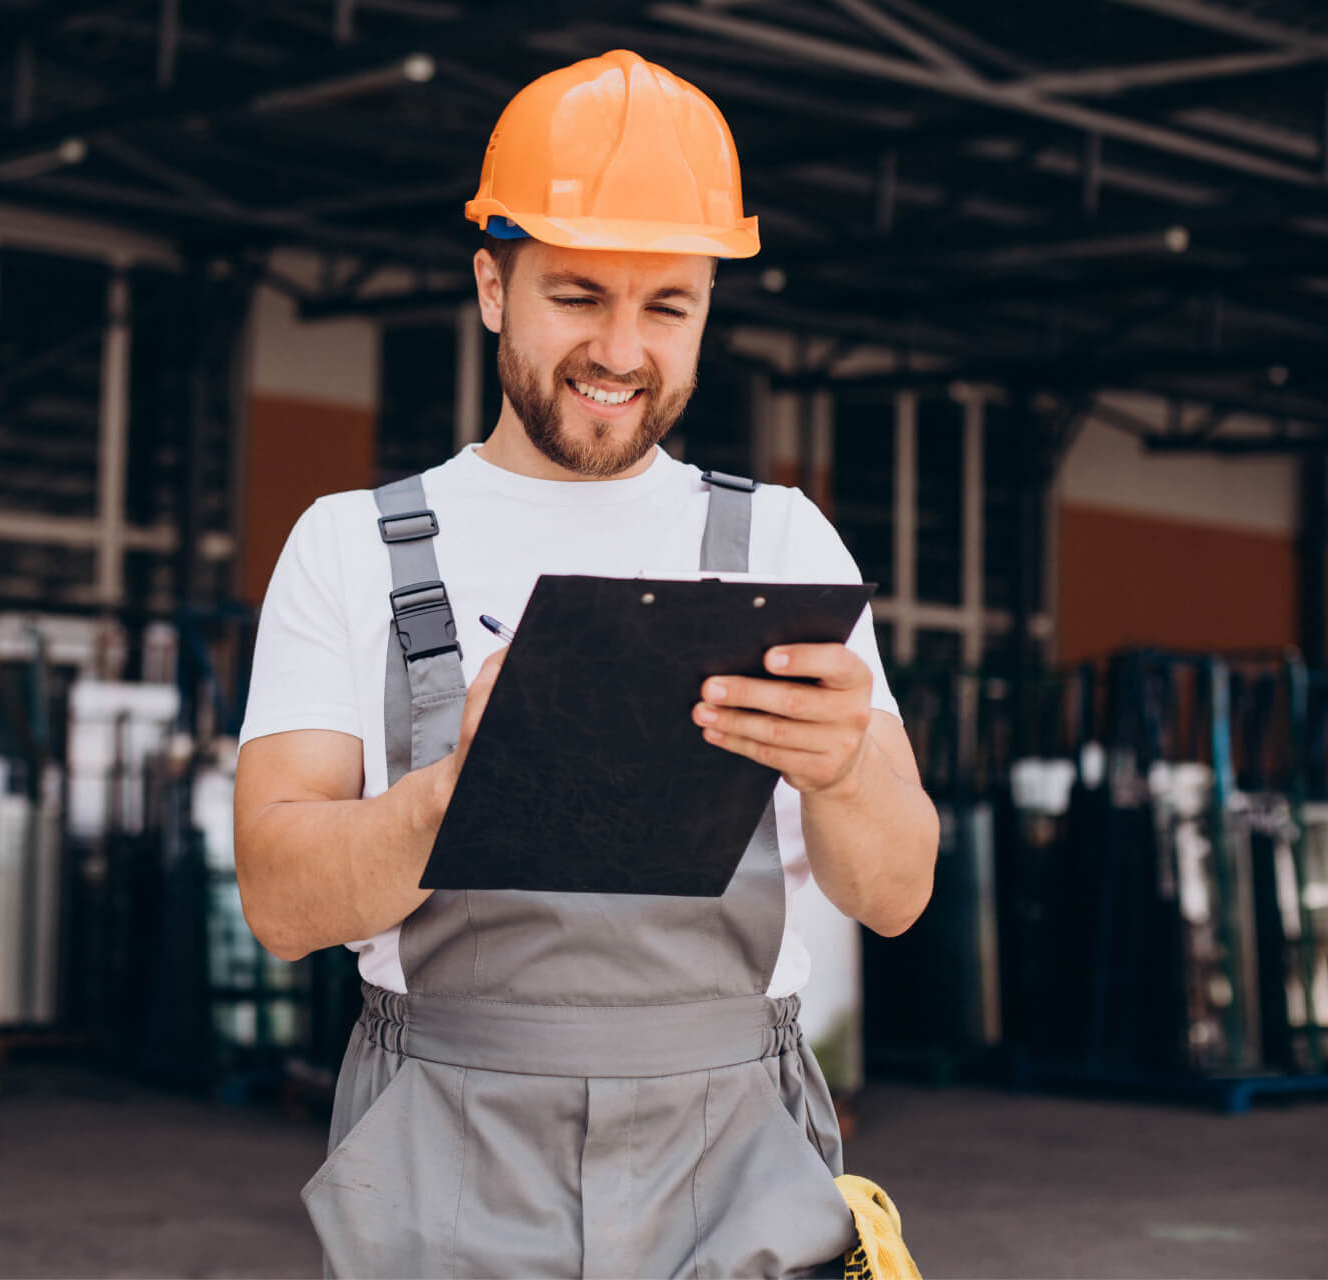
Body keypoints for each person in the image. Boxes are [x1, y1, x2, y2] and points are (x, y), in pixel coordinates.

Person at [234, 49, 939, 1279]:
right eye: (577, 296)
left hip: (735, 1155)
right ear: (492, 285)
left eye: (667, 305)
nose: (621, 350)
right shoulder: (352, 546)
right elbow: (282, 902)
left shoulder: (779, 541)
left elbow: (894, 892)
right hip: (446, 1145)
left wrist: (845, 774)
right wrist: (464, 788)